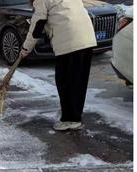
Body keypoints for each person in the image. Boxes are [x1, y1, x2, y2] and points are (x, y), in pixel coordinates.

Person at [19, 0, 97, 132]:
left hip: (70, 41)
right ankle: (74, 114)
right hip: (86, 38)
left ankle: (70, 119)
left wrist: (26, 48)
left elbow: (37, 26)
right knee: (78, 81)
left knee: (64, 81)